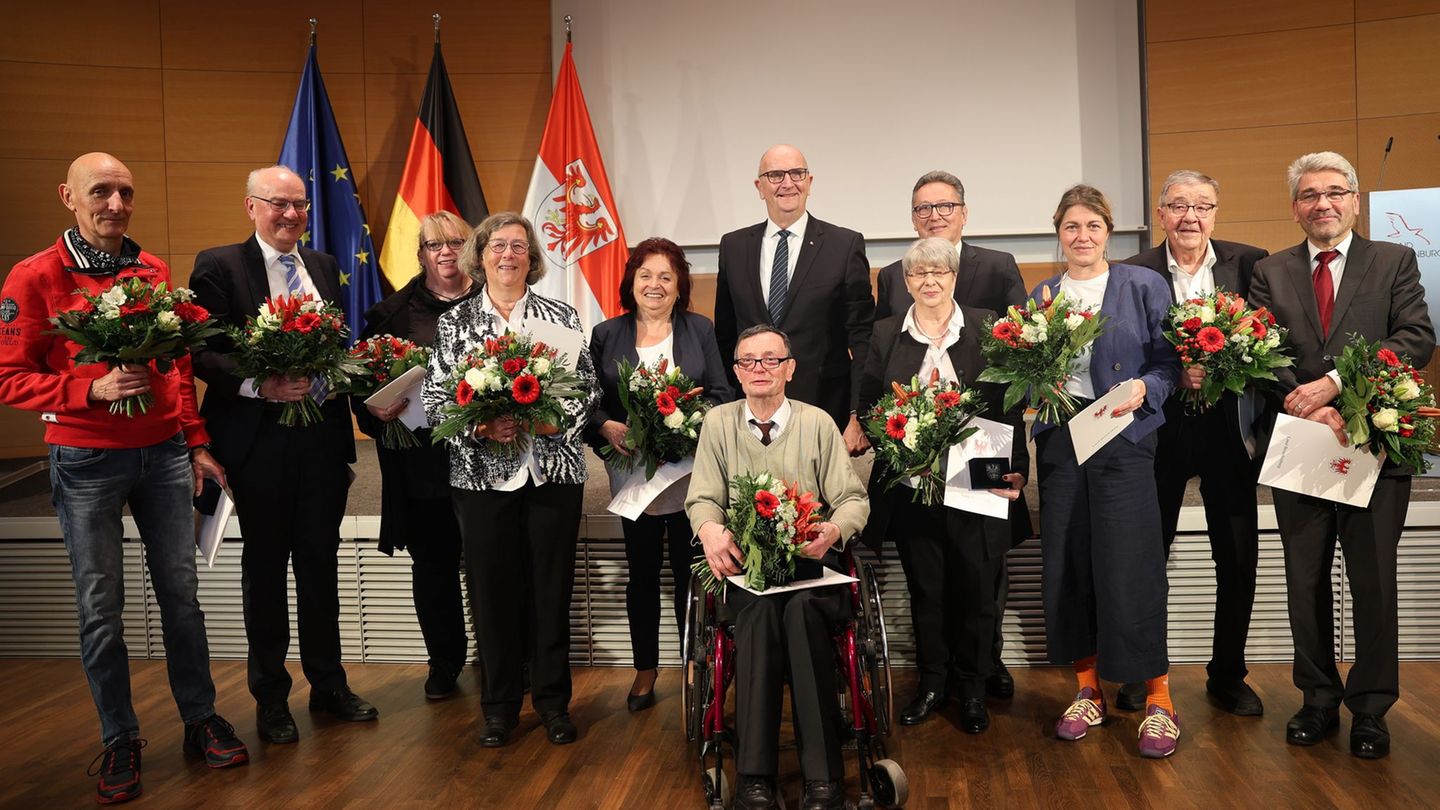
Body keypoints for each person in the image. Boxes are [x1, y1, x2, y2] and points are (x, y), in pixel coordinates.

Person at [0, 152, 247, 804]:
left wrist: (195, 442)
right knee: (100, 611)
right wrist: (91, 388)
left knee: (182, 597)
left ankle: (200, 719)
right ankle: (120, 738)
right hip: (85, 462)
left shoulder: (151, 270)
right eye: (101, 191)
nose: (115, 203)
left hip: (163, 453)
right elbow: (9, 376)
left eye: (125, 192)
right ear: (69, 197)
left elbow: (173, 370)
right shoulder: (33, 277)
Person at [1248, 151, 1434, 759]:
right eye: (1308, 194)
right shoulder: (1271, 271)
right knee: (1304, 581)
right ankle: (1317, 699)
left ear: (1354, 200)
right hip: (1303, 445)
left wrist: (1336, 386)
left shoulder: (1394, 260)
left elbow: (1416, 338)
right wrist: (1309, 405)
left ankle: (1372, 709)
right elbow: (1260, 354)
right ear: (1295, 206)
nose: (1321, 203)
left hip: (1373, 445)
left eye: (1333, 192)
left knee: (1373, 583)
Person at [190, 165, 377, 746]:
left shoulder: (321, 267)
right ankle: (271, 697)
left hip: (321, 443)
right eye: (279, 205)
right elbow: (205, 353)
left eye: (300, 205)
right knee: (265, 574)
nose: (292, 215)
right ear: (251, 206)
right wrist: (261, 386)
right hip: (258, 445)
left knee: (321, 570)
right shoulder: (218, 266)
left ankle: (329, 685)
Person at [421, 211, 599, 748]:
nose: (507, 255)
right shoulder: (455, 323)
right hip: (480, 482)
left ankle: (552, 703)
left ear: (531, 257)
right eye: (497, 245)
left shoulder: (561, 316)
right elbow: (434, 403)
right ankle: (498, 707)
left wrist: (554, 421)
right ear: (481, 254)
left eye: (518, 246)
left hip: (553, 475)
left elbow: (587, 391)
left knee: (550, 592)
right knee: (491, 595)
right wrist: (480, 425)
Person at [687, 325, 869, 810]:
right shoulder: (718, 423)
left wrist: (832, 531)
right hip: (745, 573)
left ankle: (824, 777)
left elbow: (852, 498)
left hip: (810, 568)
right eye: (749, 362)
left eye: (771, 360)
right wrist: (710, 530)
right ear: (736, 371)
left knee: (802, 615)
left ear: (790, 367)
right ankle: (755, 776)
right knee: (761, 617)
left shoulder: (817, 423)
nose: (759, 370)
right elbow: (702, 497)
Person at [1030, 185, 1181, 757]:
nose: (1083, 236)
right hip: (1063, 446)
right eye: (1072, 227)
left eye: (1093, 226)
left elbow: (1170, 362)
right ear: (1059, 233)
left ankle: (1159, 700)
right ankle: (1086, 690)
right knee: (1068, 564)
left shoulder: (1143, 285)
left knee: (1132, 565)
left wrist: (1146, 386)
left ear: (1108, 233)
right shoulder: (1043, 293)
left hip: (1125, 441)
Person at [858, 237, 1029, 733]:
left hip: (981, 476)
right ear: (906, 282)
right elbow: (869, 401)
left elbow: (1011, 405)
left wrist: (1015, 470)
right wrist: (896, 443)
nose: (928, 281)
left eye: (939, 272)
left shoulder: (986, 327)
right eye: (918, 274)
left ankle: (972, 690)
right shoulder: (888, 332)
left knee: (977, 591)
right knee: (927, 590)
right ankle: (933, 684)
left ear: (954, 276)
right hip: (914, 484)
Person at [1116, 170, 1270, 715]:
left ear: (1216, 212)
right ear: (1160, 214)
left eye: (1203, 205)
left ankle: (1227, 673)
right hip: (1156, 429)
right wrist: (1172, 371)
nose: (1190, 216)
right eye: (1178, 205)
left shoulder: (1252, 264)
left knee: (1237, 557)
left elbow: (1272, 341)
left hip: (1228, 429)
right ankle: (1143, 672)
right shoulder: (1131, 272)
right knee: (1144, 556)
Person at [586, 237, 734, 711]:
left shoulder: (700, 329)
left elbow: (719, 391)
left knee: (690, 576)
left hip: (692, 477)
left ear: (679, 286)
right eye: (645, 275)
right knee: (643, 575)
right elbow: (591, 402)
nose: (655, 285)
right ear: (631, 282)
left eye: (665, 277)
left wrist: (686, 424)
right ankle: (645, 669)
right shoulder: (606, 333)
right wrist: (608, 426)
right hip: (633, 478)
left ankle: (695, 665)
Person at [352, 211, 479, 700]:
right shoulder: (390, 315)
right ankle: (444, 662)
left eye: (454, 243)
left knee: (494, 563)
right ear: (421, 253)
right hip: (424, 464)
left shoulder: (496, 302)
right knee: (434, 565)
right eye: (433, 245)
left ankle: (504, 657)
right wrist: (376, 413)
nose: (445, 253)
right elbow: (363, 395)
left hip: (490, 458)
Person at [713, 144, 874, 455]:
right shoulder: (733, 247)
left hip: (824, 413)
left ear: (809, 182)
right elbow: (725, 337)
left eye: (796, 173)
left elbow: (863, 339)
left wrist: (857, 415)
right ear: (760, 187)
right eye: (775, 175)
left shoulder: (844, 245)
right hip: (751, 415)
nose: (787, 183)